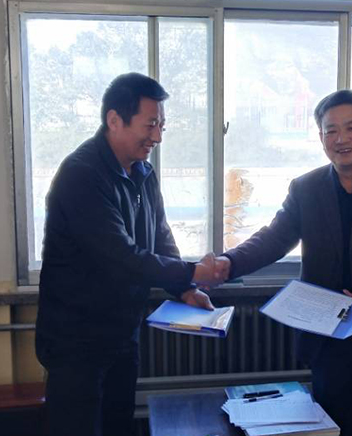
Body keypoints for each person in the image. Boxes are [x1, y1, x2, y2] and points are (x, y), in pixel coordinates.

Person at [218, 90, 352, 436]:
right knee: (331, 425)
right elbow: (274, 239)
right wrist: (226, 264)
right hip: (327, 329)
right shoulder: (306, 188)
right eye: (331, 130)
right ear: (321, 136)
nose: (341, 139)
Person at [35, 72, 230, 436]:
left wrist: (185, 289)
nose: (157, 136)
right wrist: (192, 272)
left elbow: (159, 236)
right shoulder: (82, 175)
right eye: (150, 125)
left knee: (118, 425)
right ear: (114, 120)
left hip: (122, 333)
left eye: (162, 126)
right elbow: (121, 256)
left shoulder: (143, 171)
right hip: (76, 341)